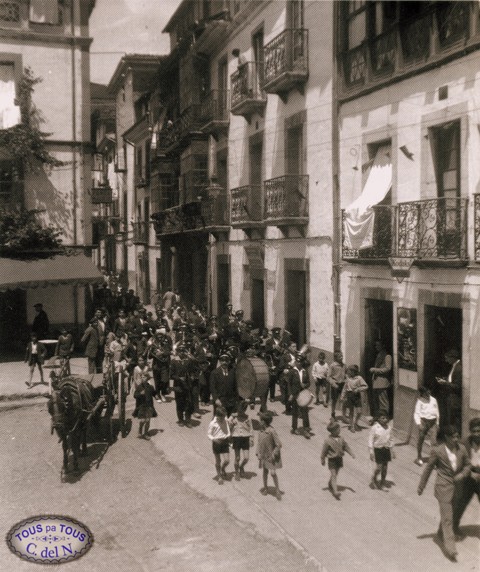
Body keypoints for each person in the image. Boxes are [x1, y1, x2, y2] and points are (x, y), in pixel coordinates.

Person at [418, 425, 471, 562]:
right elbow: (429, 468)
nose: (456, 439)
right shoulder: (438, 451)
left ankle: (440, 533)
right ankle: (451, 549)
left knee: (450, 514)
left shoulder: (462, 449)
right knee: (448, 518)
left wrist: (463, 474)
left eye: (457, 436)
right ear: (446, 437)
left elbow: (467, 464)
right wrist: (421, 486)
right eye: (453, 436)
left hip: (458, 487)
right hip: (443, 487)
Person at [453, 417, 480, 536]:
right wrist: (470, 473)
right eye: (474, 431)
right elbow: (459, 464)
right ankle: (453, 527)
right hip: (468, 477)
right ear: (470, 431)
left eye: (479, 431)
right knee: (460, 503)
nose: (477, 434)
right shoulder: (463, 444)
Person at [321, 420, 355, 500]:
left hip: (339, 459)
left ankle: (330, 483)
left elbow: (346, 446)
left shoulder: (341, 438)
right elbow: (324, 451)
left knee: (336, 473)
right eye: (338, 429)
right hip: (332, 460)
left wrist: (351, 453)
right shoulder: (327, 441)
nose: (339, 430)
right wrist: (322, 459)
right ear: (332, 431)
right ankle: (335, 491)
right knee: (334, 474)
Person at [256, 411, 282, 500]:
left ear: (264, 422)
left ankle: (277, 489)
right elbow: (259, 443)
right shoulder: (261, 431)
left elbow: (279, 444)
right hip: (264, 455)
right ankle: (266, 488)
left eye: (261, 420)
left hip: (271, 456)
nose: (259, 422)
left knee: (273, 473)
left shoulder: (271, 431)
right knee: (265, 472)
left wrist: (274, 455)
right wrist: (258, 453)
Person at [435, 348, 462, 432]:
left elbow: (457, 386)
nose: (446, 360)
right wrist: (445, 380)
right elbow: (452, 381)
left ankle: (454, 437)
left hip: (455, 399)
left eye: (447, 358)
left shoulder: (458, 368)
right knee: (451, 419)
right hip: (450, 398)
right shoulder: (454, 366)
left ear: (453, 358)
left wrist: (445, 383)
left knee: (454, 420)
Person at [368, 409, 395, 491]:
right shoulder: (375, 428)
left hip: (386, 449)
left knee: (385, 468)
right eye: (383, 418)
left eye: (386, 418)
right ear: (378, 419)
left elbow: (391, 439)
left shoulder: (389, 428)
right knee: (379, 467)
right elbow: (370, 440)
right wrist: (371, 452)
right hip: (378, 449)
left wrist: (392, 450)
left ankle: (382, 482)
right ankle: (374, 477)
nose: (385, 420)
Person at [287, 352, 312, 439]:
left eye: (300, 362)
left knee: (305, 412)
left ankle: (306, 429)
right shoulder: (292, 371)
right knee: (295, 412)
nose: (299, 363)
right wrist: (290, 394)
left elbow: (309, 383)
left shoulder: (305, 371)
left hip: (303, 394)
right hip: (294, 394)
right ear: (295, 362)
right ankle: (294, 428)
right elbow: (289, 384)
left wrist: (304, 385)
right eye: (297, 362)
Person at [413, 386, 440, 466]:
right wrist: (419, 424)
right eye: (425, 394)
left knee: (434, 442)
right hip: (424, 422)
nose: (428, 395)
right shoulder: (420, 401)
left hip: (433, 422)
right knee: (421, 439)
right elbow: (416, 413)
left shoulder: (434, 400)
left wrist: (437, 423)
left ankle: (433, 460)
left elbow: (437, 412)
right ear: (422, 394)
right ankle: (419, 457)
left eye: (428, 392)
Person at [229, 400, 254, 481]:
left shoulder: (248, 417)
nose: (239, 412)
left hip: (245, 438)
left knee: (246, 458)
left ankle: (241, 466)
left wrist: (251, 438)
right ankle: (237, 472)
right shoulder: (233, 417)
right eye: (239, 410)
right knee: (237, 458)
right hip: (236, 438)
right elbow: (228, 426)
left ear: (244, 410)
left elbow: (251, 429)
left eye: (241, 410)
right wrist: (231, 424)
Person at [207, 406, 231, 485]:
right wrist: (214, 439)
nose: (223, 419)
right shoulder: (212, 423)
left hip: (224, 441)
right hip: (216, 442)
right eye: (222, 417)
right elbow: (209, 434)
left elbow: (230, 419)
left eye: (224, 417)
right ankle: (219, 476)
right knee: (218, 461)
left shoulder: (225, 419)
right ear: (217, 416)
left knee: (227, 460)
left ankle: (223, 468)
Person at [341, 365, 368, 432]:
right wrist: (342, 396)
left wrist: (358, 389)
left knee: (359, 412)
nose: (349, 372)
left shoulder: (359, 378)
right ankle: (352, 426)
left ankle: (355, 422)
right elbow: (344, 388)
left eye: (350, 371)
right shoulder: (348, 379)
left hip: (356, 396)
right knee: (351, 412)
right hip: (349, 396)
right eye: (349, 371)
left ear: (354, 371)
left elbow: (366, 386)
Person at [369, 341, 392, 419]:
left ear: (383, 345)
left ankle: (384, 418)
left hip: (382, 382)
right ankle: (377, 417)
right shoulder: (379, 354)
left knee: (383, 401)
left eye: (378, 345)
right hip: (376, 381)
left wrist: (375, 370)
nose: (376, 347)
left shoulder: (387, 356)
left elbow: (388, 368)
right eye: (376, 345)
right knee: (377, 401)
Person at [133, 374, 156, 440]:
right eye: (142, 377)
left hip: (149, 406)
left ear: (147, 378)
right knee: (143, 420)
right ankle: (140, 429)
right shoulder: (139, 387)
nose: (143, 378)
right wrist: (140, 394)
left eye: (144, 377)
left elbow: (154, 393)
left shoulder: (151, 387)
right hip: (141, 406)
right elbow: (135, 395)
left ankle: (145, 433)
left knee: (148, 420)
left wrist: (157, 397)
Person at [327, 351, 347, 421]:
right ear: (336, 358)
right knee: (334, 400)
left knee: (344, 400)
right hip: (335, 385)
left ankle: (344, 415)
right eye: (340, 356)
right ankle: (333, 414)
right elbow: (328, 377)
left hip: (342, 385)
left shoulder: (344, 365)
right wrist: (333, 384)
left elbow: (346, 374)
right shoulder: (332, 365)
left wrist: (346, 380)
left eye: (342, 355)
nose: (342, 357)